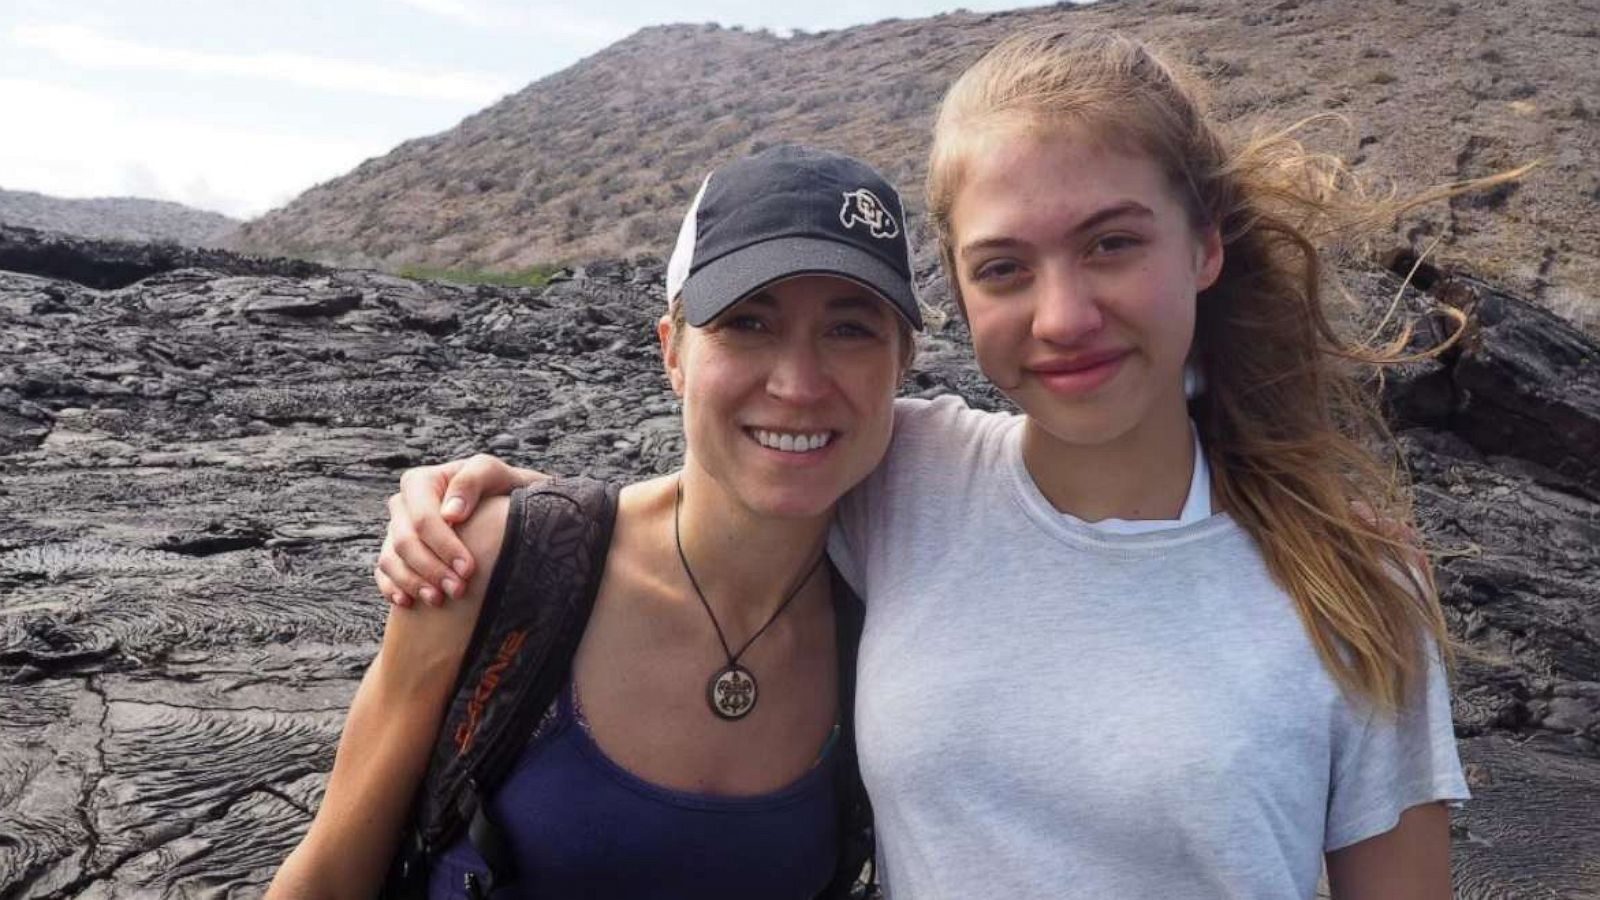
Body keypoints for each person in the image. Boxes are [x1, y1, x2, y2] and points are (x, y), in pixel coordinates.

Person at [376, 29, 1512, 899]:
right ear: (961, 300)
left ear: (1204, 245)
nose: (1063, 315)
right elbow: (746, 464)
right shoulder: (912, 478)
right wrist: (492, 507)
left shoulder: (1351, 578)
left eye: (1112, 244)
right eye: (1005, 267)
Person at [267, 145, 925, 899]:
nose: (799, 384)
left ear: (903, 363)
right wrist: (549, 516)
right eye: (747, 322)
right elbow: (326, 876)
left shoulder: (893, 617)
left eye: (850, 330)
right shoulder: (490, 564)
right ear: (672, 352)